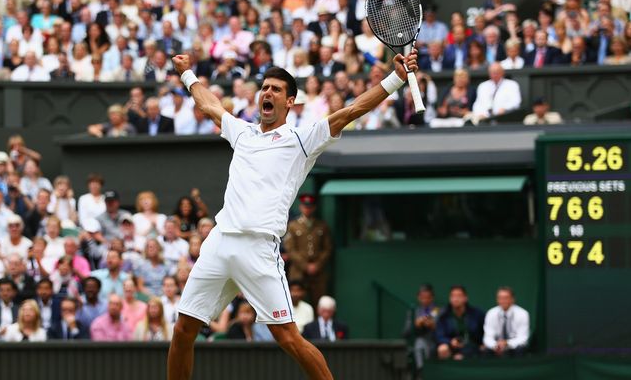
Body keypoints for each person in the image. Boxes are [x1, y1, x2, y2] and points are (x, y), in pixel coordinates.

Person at [168, 49, 418, 379]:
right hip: (219, 242)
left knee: (288, 338)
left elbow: (353, 109)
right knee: (183, 330)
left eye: (276, 89)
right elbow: (209, 104)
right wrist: (187, 74)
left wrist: (396, 79)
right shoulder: (241, 132)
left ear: (290, 102)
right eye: (265, 88)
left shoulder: (302, 139)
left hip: (259, 249)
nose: (267, 93)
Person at [284, 194, 332, 304]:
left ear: (314, 208)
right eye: (305, 206)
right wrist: (305, 265)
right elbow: (290, 248)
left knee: (318, 300)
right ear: (301, 207)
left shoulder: (321, 226)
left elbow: (327, 248)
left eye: (310, 206)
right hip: (298, 271)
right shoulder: (293, 226)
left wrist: (317, 265)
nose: (307, 209)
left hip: (318, 272)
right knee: (296, 301)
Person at [435, 285, 485, 360]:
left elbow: (484, 332)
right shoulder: (443, 316)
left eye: (459, 296)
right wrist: (450, 342)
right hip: (452, 346)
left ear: (465, 298)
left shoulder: (477, 314)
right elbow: (439, 336)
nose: (456, 299)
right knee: (442, 349)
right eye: (453, 296)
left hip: (472, 346)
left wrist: (483, 343)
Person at [483, 287, 530, 357]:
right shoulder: (491, 313)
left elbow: (523, 338)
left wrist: (507, 343)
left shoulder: (522, 314)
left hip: (514, 347)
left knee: (520, 349)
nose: (503, 301)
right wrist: (495, 346)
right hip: (497, 347)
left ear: (512, 299)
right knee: (485, 350)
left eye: (506, 298)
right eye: (500, 298)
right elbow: (487, 337)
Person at [404, 284, 440, 370]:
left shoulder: (438, 311)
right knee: (419, 343)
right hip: (419, 342)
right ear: (418, 297)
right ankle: (422, 371)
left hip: (435, 341)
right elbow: (405, 332)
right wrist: (415, 324)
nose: (425, 300)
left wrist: (433, 325)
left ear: (432, 298)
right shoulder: (414, 312)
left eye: (428, 297)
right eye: (422, 297)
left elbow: (443, 330)